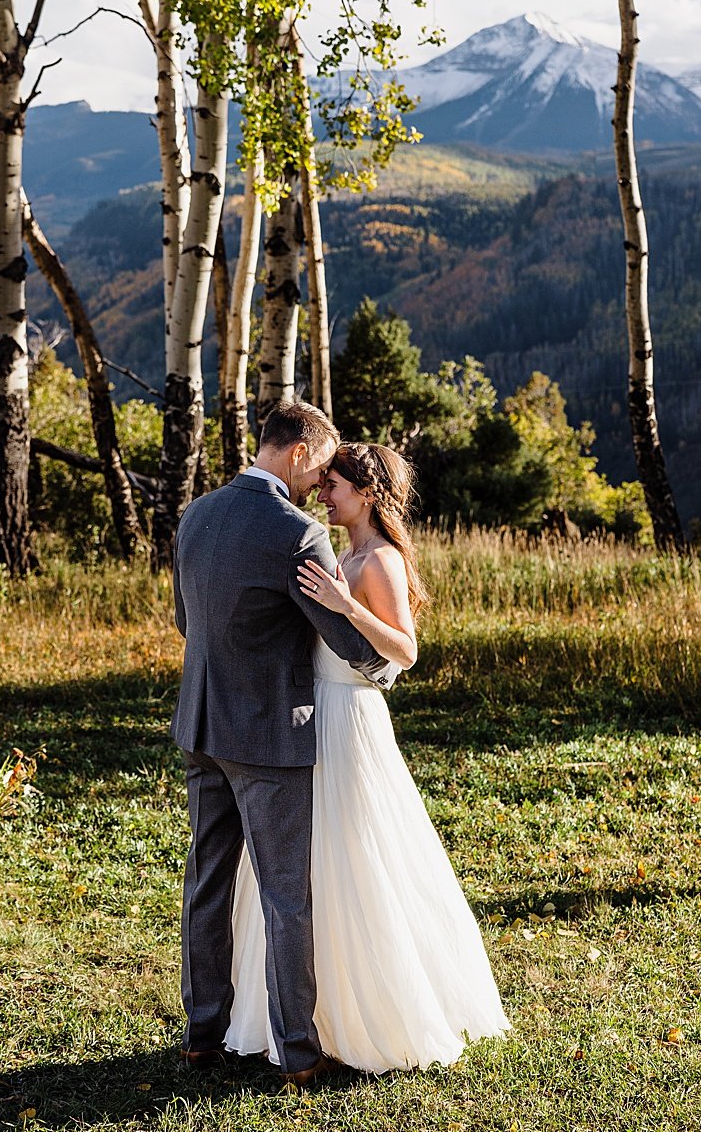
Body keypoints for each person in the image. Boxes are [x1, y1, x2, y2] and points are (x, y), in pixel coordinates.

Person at [224, 441, 511, 1074]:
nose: (323, 495)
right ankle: (311, 1010)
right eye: (322, 484)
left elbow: (404, 651)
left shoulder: (375, 559)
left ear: (367, 494)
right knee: (312, 863)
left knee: (355, 854)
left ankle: (373, 1009)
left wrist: (345, 604)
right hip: (313, 714)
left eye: (334, 486)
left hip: (349, 717)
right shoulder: (344, 552)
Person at [170, 402, 398, 1086]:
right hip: (269, 736)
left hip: (203, 727)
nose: (322, 479)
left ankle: (201, 1035)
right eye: (322, 463)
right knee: (285, 896)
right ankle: (298, 1053)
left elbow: (188, 621)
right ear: (299, 453)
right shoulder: (295, 532)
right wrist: (387, 668)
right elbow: (343, 638)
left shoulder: (197, 514)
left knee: (207, 882)